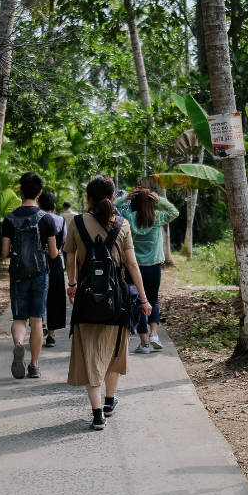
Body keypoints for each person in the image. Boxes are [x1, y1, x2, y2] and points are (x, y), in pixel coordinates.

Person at [65, 174, 152, 430]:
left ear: (88, 198)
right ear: (113, 197)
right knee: (114, 351)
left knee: (91, 353)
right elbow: (132, 264)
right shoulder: (122, 225)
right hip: (118, 299)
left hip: (86, 297)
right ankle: (109, 401)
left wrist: (72, 285)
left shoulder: (77, 223)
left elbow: (70, 261)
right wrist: (144, 300)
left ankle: (96, 414)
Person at [1, 173, 60, 380]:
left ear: (20, 190)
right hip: (40, 274)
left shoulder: (9, 219)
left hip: (17, 275)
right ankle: (34, 366)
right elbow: (53, 254)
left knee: (19, 319)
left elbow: (5, 253)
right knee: (36, 321)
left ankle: (19, 345)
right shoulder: (47, 219)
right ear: (39, 192)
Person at [114, 187, 179, 354]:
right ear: (150, 201)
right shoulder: (156, 217)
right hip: (154, 267)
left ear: (133, 202)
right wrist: (160, 201)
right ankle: (154, 335)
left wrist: (125, 198)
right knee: (153, 300)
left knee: (138, 302)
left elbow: (114, 208)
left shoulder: (127, 217)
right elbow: (174, 212)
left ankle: (143, 344)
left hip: (133, 268)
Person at [37, 190, 66, 347]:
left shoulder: (36, 219)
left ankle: (40, 326)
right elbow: (64, 239)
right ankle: (52, 335)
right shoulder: (60, 220)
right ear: (53, 204)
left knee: (39, 296)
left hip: (38, 261)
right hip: (55, 261)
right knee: (55, 297)